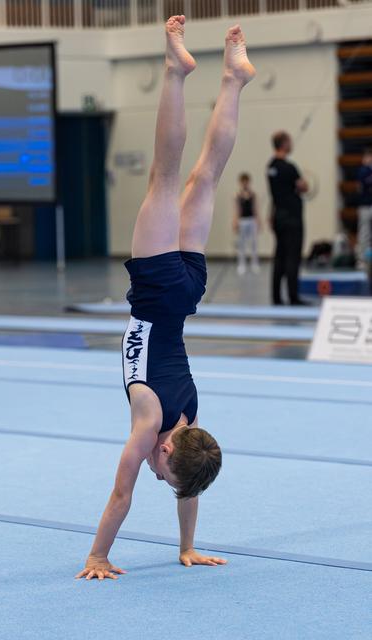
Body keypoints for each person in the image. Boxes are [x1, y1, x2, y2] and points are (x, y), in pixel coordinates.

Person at [75, 16, 255, 581]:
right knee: (167, 176)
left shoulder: (192, 423)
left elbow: (188, 487)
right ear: (170, 449)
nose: (157, 475)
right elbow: (122, 495)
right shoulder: (148, 423)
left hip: (189, 291)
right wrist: (99, 555)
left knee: (207, 178)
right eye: (164, 472)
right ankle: (175, 72)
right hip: (155, 294)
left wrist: (187, 547)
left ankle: (234, 79)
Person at [267, 131, 309, 305]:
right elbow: (303, 186)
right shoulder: (289, 167)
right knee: (293, 257)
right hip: (292, 218)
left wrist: (271, 215)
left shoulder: (270, 167)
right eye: (290, 141)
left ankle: (276, 297)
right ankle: (293, 296)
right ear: (284, 144)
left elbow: (275, 194)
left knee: (279, 257)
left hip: (278, 217)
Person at [233, 172, 261, 274]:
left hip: (251, 220)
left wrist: (258, 221)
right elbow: (237, 209)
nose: (245, 184)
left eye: (246, 182)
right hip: (242, 220)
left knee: (254, 243)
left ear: (249, 182)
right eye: (243, 182)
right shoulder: (237, 195)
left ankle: (255, 263)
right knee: (241, 244)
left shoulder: (253, 194)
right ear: (241, 183)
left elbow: (255, 209)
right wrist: (235, 221)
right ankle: (242, 265)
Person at [357, 148, 372, 269]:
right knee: (364, 233)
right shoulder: (363, 171)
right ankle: (362, 259)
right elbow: (363, 186)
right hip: (365, 206)